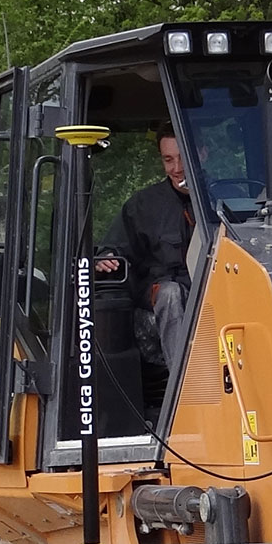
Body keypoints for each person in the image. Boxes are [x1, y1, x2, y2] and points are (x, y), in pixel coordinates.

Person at [102, 123, 198, 377]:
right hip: (162, 294)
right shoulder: (144, 205)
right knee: (170, 293)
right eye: (168, 160)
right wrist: (108, 257)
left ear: (202, 154)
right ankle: (186, 382)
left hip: (214, 287)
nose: (176, 169)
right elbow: (114, 248)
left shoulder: (227, 199)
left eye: (182, 159)